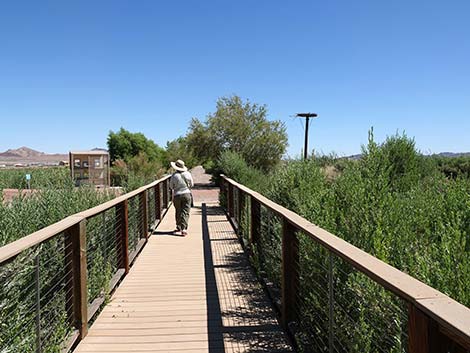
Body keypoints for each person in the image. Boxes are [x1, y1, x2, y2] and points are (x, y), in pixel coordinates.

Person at [169, 159, 194, 236]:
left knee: (178, 211)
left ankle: (178, 226)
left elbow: (171, 186)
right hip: (186, 194)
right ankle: (184, 229)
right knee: (185, 212)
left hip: (177, 195)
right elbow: (192, 184)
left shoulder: (174, 175)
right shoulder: (188, 174)